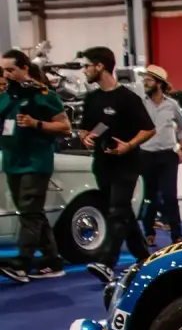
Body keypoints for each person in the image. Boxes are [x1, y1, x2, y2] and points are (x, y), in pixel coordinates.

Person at [78, 46, 154, 281]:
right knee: (122, 212)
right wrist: (85, 137)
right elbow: (84, 128)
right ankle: (144, 256)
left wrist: (128, 145)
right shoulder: (92, 98)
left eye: (87, 66)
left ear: (100, 66)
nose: (84, 70)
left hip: (126, 163)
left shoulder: (128, 98)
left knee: (117, 211)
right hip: (102, 164)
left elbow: (149, 129)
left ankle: (106, 262)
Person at [0, 49, 71, 283]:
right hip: (12, 163)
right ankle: (52, 261)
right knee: (32, 213)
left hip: (35, 163)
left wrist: (36, 124)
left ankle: (22, 263)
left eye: (10, 70)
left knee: (29, 212)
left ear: (24, 68)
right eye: (3, 71)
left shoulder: (44, 96)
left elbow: (65, 127)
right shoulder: (5, 98)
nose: (6, 75)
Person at [136, 65, 182, 248]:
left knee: (170, 196)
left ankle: (177, 235)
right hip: (145, 155)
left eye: (149, 80)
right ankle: (149, 233)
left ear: (159, 84)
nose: (145, 83)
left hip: (167, 156)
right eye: (144, 80)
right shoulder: (140, 104)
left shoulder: (171, 105)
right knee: (149, 197)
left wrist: (181, 148)